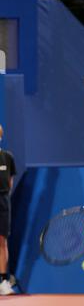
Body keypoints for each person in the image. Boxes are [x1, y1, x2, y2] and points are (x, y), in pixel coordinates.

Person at [0, 124, 16, 295]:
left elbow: (9, 182)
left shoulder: (7, 157)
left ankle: (4, 281)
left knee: (2, 241)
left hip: (3, 201)